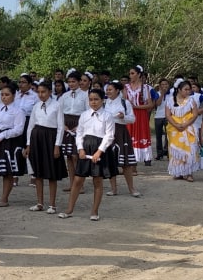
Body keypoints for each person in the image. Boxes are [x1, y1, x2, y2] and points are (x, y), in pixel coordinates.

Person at [59, 87, 114, 220]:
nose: (93, 102)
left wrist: (99, 151)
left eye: (96, 99)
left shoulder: (107, 116)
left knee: (97, 180)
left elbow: (109, 136)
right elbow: (79, 133)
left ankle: (94, 211)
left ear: (102, 100)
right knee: (78, 179)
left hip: (100, 148)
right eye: (91, 99)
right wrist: (80, 149)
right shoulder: (84, 115)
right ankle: (69, 209)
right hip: (86, 147)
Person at [24, 78, 67, 212]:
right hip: (37, 138)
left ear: (49, 92)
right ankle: (39, 203)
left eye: (43, 92)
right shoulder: (36, 106)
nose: (41, 94)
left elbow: (60, 126)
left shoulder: (56, 105)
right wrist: (28, 144)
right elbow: (30, 126)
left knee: (51, 173)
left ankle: (52, 204)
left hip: (50, 138)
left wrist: (57, 145)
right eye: (39, 92)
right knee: (38, 172)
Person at [103, 80, 140, 197]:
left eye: (110, 89)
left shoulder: (125, 103)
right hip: (108, 132)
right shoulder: (104, 103)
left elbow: (132, 119)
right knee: (111, 161)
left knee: (126, 163)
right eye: (107, 90)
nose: (108, 92)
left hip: (120, 132)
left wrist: (123, 117)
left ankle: (132, 189)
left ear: (117, 90)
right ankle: (113, 189)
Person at [0, 82, 27, 207]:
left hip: (10, 141)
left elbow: (19, 129)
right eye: (2, 95)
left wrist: (2, 135)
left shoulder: (18, 111)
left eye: (7, 95)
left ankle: (4, 197)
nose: (4, 97)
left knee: (8, 170)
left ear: (13, 95)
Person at [165, 80, 200, 181]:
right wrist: (176, 124)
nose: (188, 91)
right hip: (174, 129)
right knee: (176, 150)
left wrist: (186, 124)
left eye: (189, 89)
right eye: (186, 89)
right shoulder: (170, 100)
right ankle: (178, 172)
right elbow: (168, 115)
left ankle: (189, 173)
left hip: (188, 128)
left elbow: (195, 115)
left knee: (190, 150)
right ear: (179, 90)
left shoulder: (191, 100)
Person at [57, 70, 87, 181]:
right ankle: (72, 183)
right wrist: (62, 124)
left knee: (76, 155)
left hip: (79, 123)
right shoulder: (64, 96)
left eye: (73, 81)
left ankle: (79, 183)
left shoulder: (85, 95)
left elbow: (88, 112)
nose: (71, 84)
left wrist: (80, 126)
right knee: (69, 156)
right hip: (66, 124)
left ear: (79, 82)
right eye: (69, 82)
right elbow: (59, 112)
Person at [125, 65, 158, 166]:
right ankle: (131, 157)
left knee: (142, 132)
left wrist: (136, 106)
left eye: (132, 73)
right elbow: (124, 101)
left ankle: (145, 157)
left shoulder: (145, 87)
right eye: (130, 73)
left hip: (141, 114)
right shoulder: (126, 87)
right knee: (130, 134)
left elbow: (150, 104)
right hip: (130, 114)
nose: (130, 75)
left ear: (139, 74)